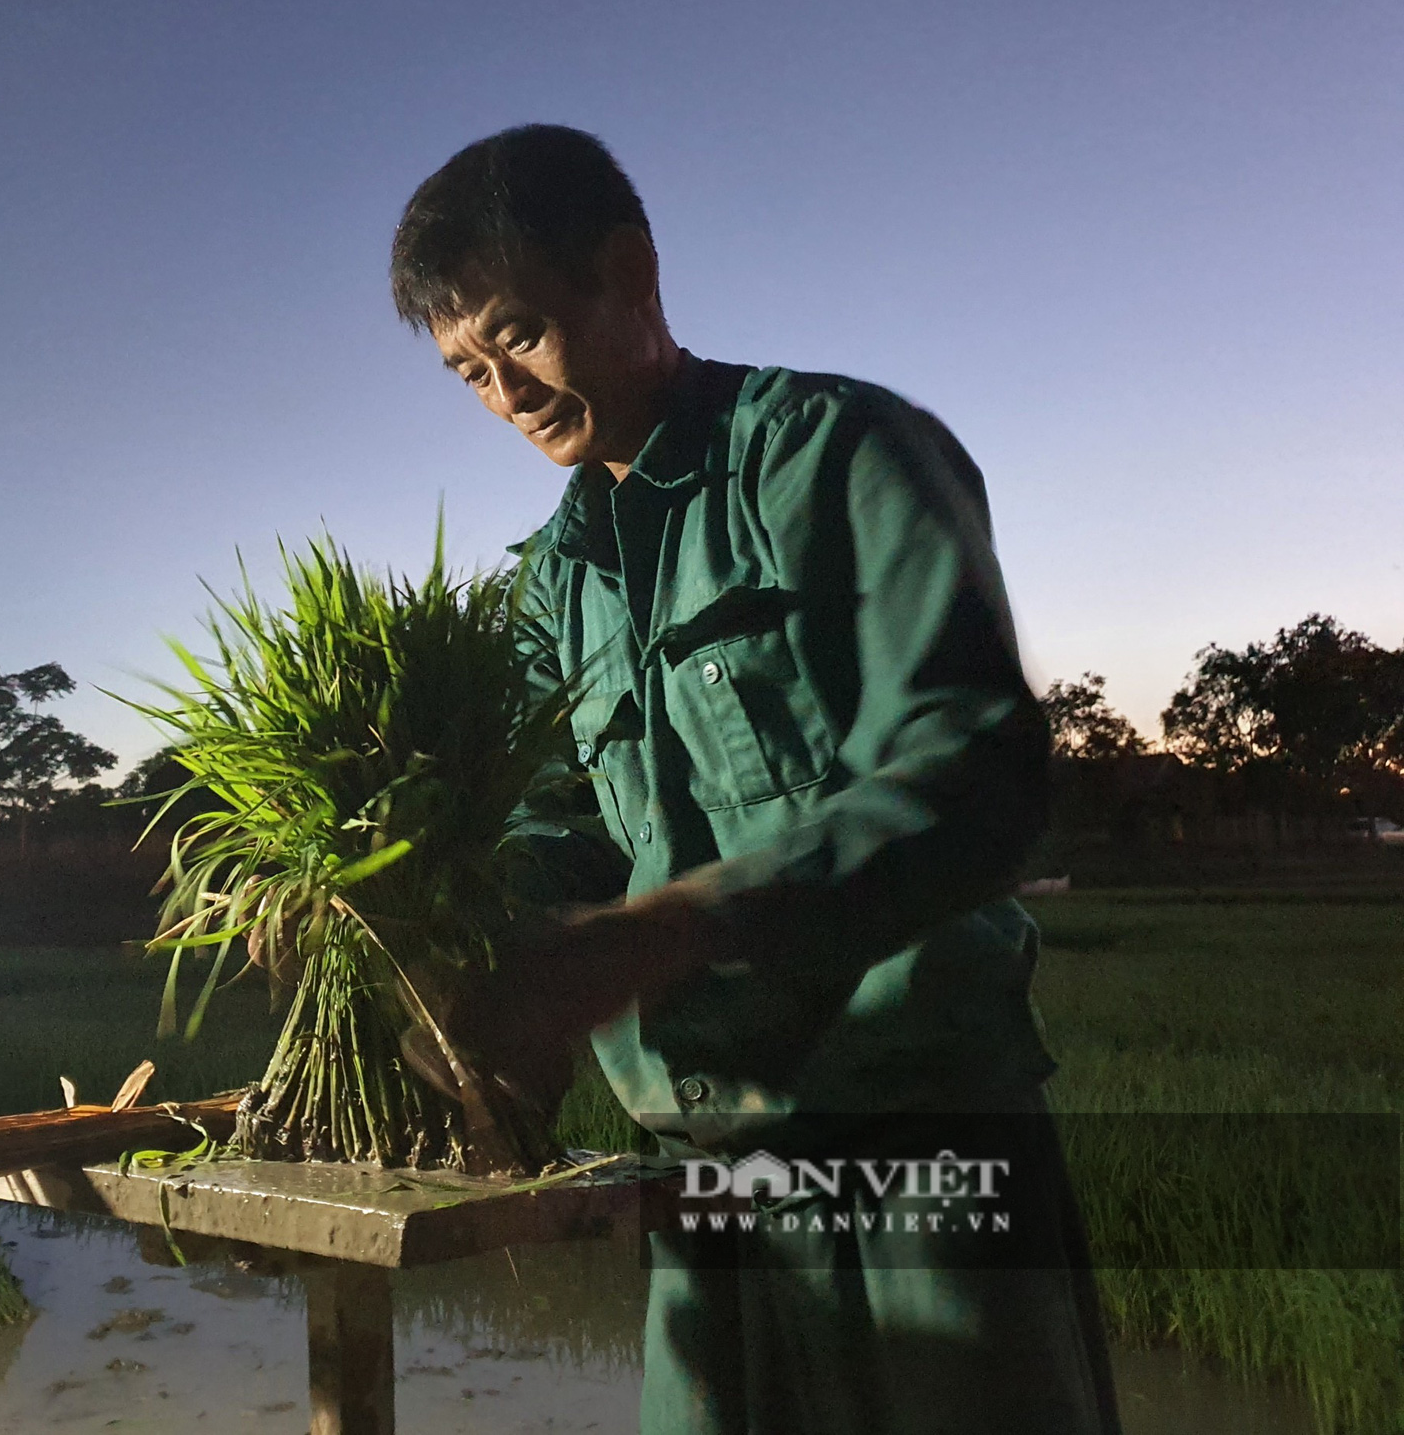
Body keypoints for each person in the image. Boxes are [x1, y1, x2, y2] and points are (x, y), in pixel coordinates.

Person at [389, 124, 1123, 1435]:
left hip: (917, 1143)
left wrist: (671, 930)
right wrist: (448, 942)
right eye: (465, 372)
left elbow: (977, 772)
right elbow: (560, 830)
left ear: (628, 275)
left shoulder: (839, 458)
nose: (504, 389)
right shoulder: (553, 585)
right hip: (704, 1177)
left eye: (520, 332)